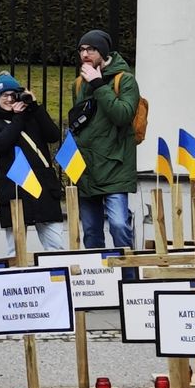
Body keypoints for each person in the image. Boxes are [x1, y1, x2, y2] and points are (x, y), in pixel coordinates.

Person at [68, 29, 141, 249]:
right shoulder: (79, 84)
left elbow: (122, 115)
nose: (85, 54)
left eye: (91, 49)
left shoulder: (125, 80)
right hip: (87, 168)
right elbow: (79, 121)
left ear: (103, 52)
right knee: (91, 232)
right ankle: (100, 280)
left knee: (118, 224)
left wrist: (99, 85)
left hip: (115, 166)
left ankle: (128, 277)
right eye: (81, 49)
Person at [0, 73, 68, 253]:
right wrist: (18, 118)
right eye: (3, 95)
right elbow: (1, 144)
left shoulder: (33, 115)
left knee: (55, 247)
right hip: (15, 189)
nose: (8, 99)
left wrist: (36, 107)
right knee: (15, 251)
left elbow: (53, 135)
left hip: (43, 187)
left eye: (12, 94)